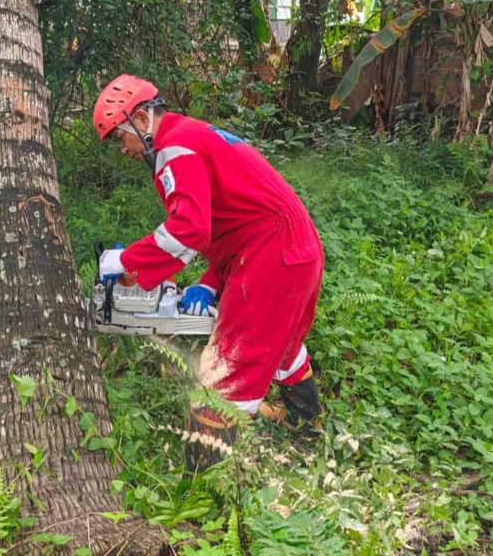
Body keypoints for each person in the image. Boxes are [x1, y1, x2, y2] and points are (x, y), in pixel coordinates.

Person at [93, 74, 324, 471]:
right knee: (281, 342)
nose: (122, 149)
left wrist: (126, 262)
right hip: (288, 248)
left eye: (120, 137)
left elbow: (190, 229)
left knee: (226, 369)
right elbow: (230, 220)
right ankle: (305, 424)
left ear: (142, 120)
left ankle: (204, 480)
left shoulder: (176, 150)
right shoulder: (190, 135)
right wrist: (208, 281)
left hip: (273, 255)